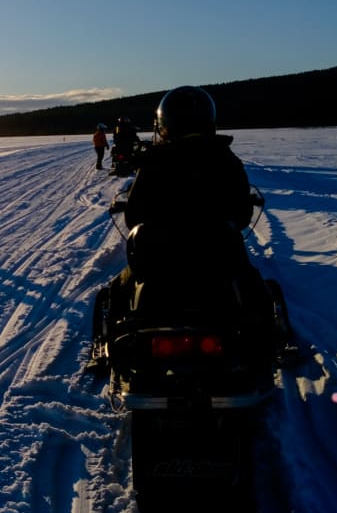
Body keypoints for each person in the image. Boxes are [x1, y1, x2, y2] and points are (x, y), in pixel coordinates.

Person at [88, 86, 263, 369]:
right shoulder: (225, 160)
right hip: (215, 258)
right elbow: (242, 215)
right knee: (253, 285)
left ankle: (106, 347)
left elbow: (134, 216)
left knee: (118, 290)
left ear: (165, 123)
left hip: (160, 259)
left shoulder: (154, 161)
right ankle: (271, 346)